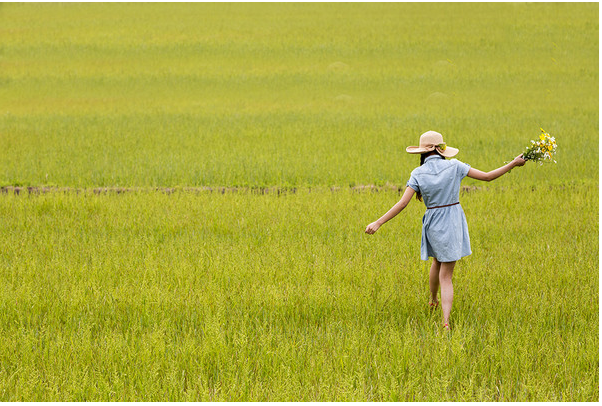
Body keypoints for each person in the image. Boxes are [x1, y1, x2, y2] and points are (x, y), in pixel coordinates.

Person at [364, 130, 526, 330]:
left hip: (433, 221)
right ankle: (446, 321)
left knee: (437, 261)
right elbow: (488, 177)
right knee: (446, 275)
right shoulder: (455, 166)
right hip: (452, 219)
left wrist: (378, 222)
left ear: (423, 152)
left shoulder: (417, 173)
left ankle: (432, 301)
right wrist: (513, 163)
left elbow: (402, 203)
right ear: (441, 149)